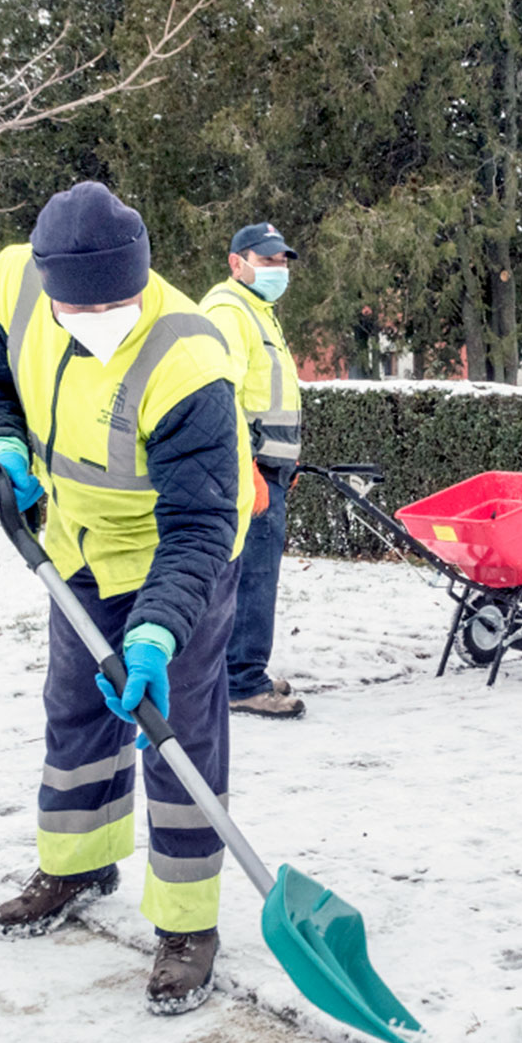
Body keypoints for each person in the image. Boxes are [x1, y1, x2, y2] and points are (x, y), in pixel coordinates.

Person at [0, 182, 255, 1015]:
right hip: (77, 546)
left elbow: (198, 523)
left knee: (178, 737)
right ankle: (78, 862)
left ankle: (189, 924)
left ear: (144, 277)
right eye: (81, 305)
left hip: (177, 557)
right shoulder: (14, 282)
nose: (101, 317)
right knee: (76, 712)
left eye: (121, 301)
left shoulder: (190, 358)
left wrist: (155, 635)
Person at [202, 223, 305, 720]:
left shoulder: (257, 311)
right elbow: (220, 397)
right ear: (236, 262)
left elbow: (269, 399)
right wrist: (248, 466)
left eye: (281, 262)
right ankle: (242, 681)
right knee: (254, 576)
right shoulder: (229, 312)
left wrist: (287, 458)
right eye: (266, 261)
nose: (277, 270)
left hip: (268, 466)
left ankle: (238, 671)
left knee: (247, 573)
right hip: (249, 471)